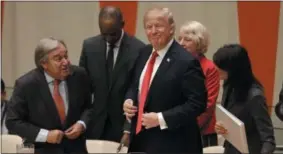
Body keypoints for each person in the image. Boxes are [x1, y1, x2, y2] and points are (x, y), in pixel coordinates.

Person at [123, 7, 207, 153]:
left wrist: (161, 119)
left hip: (174, 144)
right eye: (149, 27)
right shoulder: (143, 53)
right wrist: (129, 100)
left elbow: (197, 104)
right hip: (141, 141)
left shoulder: (186, 61)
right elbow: (135, 85)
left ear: (171, 28)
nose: (153, 31)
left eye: (159, 25)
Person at [6, 37, 93, 154]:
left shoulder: (79, 75)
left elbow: (89, 107)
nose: (66, 62)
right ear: (44, 63)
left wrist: (82, 124)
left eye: (66, 56)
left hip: (76, 149)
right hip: (44, 150)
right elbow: (13, 121)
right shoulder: (26, 85)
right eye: (58, 59)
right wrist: (45, 135)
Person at [79, 6, 145, 142]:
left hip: (122, 128)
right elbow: (83, 88)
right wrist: (82, 122)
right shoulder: (89, 46)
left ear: (122, 25)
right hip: (94, 126)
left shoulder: (139, 49)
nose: (109, 38)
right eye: (104, 34)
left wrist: (128, 129)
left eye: (113, 34)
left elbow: (137, 91)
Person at [213, 44, 276, 154]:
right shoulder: (229, 85)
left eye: (221, 67)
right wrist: (221, 127)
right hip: (230, 149)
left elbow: (268, 140)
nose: (216, 69)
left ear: (234, 69)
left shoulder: (255, 96)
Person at [178, 21, 220, 147]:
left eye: (187, 40)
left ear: (199, 42)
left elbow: (209, 103)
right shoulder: (176, 65)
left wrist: (186, 127)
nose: (181, 44)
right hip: (176, 128)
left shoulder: (209, 68)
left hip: (201, 132)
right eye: (180, 39)